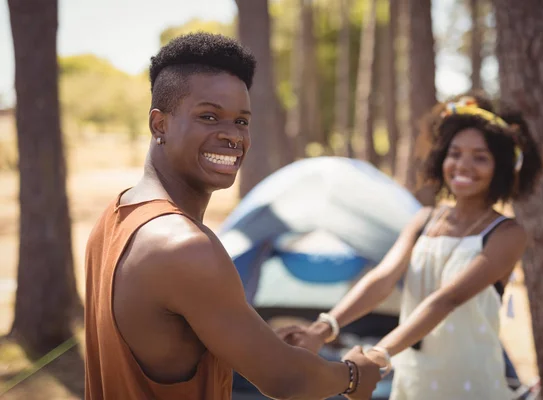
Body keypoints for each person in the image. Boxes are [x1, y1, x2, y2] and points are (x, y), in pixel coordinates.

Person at [84, 32, 381, 400]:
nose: (231, 136)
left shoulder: (115, 215)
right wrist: (354, 375)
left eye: (241, 121)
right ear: (159, 124)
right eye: (209, 116)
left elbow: (164, 342)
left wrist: (260, 343)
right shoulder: (184, 245)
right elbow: (287, 381)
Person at [279, 93, 543, 399]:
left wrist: (379, 355)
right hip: (413, 377)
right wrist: (321, 330)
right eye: (455, 153)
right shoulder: (424, 220)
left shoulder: (507, 234)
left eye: (480, 157)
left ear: (501, 168)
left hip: (471, 382)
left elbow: (448, 299)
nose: (463, 165)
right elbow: (383, 278)